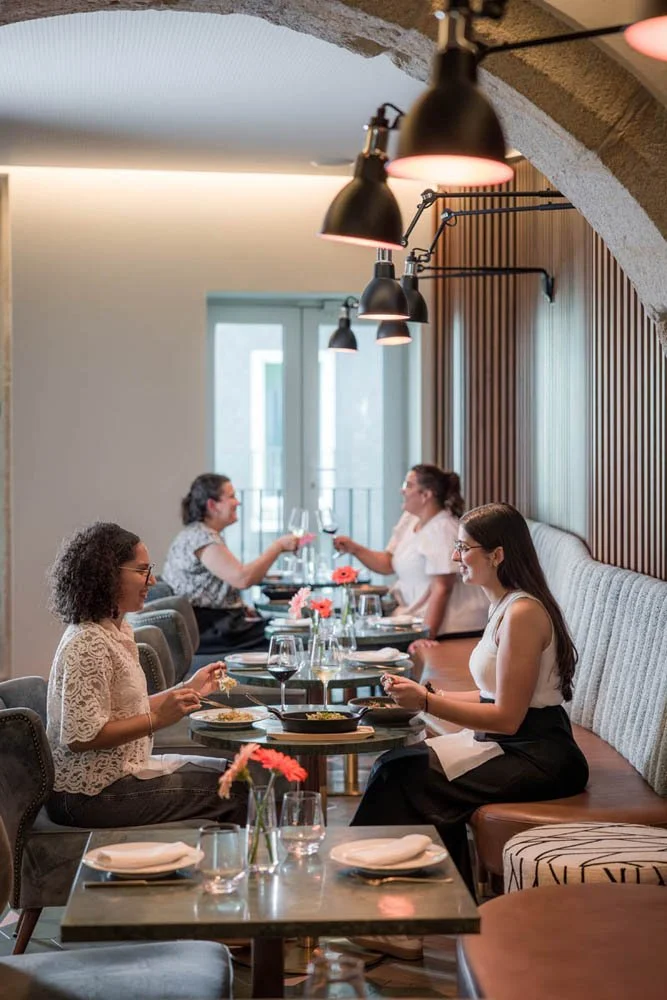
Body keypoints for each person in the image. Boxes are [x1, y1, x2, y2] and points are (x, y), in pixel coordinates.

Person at [350, 503, 589, 957]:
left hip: (539, 754)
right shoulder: (502, 603)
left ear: (497, 554)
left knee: (402, 774)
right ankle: (411, 916)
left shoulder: (523, 613)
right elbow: (491, 700)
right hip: (514, 742)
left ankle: (394, 916)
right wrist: (421, 696)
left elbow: (507, 718)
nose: (457, 557)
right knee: (395, 766)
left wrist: (426, 702)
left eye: (464, 548)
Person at [46, 522, 246, 828]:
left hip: (121, 774)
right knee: (235, 789)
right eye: (141, 571)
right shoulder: (87, 643)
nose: (152, 580)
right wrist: (158, 720)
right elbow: (80, 738)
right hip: (88, 796)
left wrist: (186, 688)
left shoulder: (116, 629)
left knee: (236, 772)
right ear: (108, 574)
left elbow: (123, 708)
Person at [334, 465, 488, 651]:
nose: (402, 489)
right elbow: (388, 563)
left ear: (426, 495)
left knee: (353, 646)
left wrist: (426, 636)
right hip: (410, 618)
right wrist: (354, 549)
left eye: (408, 485)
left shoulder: (442, 529)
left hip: (453, 627)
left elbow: (442, 588)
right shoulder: (410, 519)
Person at [162, 473, 298, 654]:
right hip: (211, 629)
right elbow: (242, 578)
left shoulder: (198, 534)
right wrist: (277, 547)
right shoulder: (201, 537)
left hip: (217, 623)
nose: (238, 502)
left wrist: (240, 606)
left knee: (287, 629)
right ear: (212, 505)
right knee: (291, 635)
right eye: (232, 496)